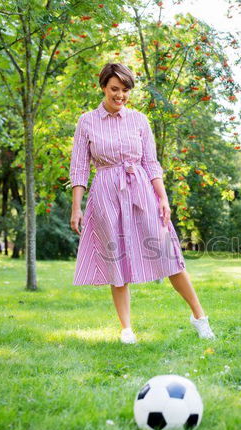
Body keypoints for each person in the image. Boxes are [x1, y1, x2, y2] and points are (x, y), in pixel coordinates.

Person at [69, 62, 215, 344]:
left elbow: (150, 162)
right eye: (114, 89)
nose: (120, 95)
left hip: (141, 192)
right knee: (116, 260)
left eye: (125, 90)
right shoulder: (87, 121)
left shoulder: (139, 121)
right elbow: (79, 167)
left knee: (168, 254)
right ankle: (126, 329)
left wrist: (162, 197)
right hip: (106, 193)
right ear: (103, 87)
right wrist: (77, 207)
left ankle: (199, 317)